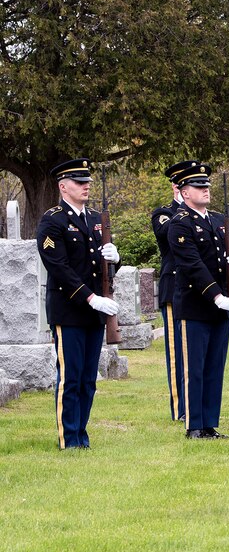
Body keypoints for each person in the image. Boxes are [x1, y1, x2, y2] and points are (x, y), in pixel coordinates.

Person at [36, 158, 121, 449]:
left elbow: (102, 269)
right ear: (63, 186)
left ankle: (81, 435)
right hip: (69, 310)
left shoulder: (96, 219)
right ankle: (68, 438)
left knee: (88, 380)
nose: (86, 186)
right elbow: (58, 267)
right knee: (70, 378)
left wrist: (115, 259)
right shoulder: (53, 220)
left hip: (95, 312)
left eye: (87, 182)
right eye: (79, 182)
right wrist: (90, 297)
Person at [166, 163, 229, 439]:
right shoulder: (179, 223)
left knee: (214, 368)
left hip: (220, 307)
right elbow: (192, 264)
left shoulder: (219, 220)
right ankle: (194, 426)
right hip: (195, 306)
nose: (206, 190)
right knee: (194, 369)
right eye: (199, 187)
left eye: (207, 186)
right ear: (185, 193)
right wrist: (218, 296)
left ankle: (210, 423)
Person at [150, 159, 200, 422]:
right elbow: (169, 234)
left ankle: (198, 405)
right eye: (185, 184)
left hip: (200, 291)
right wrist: (185, 209)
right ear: (176, 187)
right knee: (176, 353)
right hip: (174, 289)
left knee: (196, 353)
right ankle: (181, 408)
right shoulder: (164, 214)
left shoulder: (207, 217)